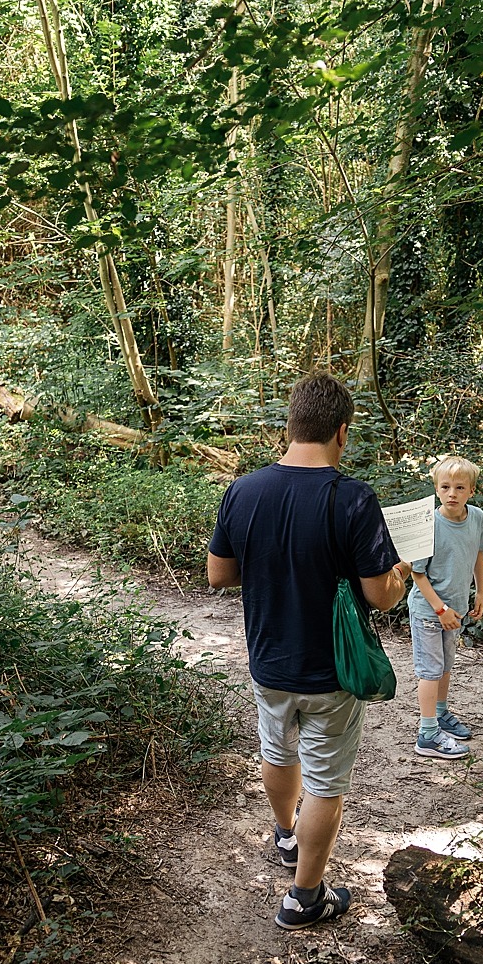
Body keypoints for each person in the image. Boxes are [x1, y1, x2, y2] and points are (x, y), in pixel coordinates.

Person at [206, 372, 407, 930]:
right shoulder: (353, 498)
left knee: (277, 749)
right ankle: (303, 898)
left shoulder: (243, 490)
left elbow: (218, 574)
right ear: (342, 432)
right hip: (332, 672)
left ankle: (286, 836)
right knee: (326, 783)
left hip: (267, 658)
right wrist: (400, 579)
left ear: (291, 425)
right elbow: (379, 596)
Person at [408, 456, 483, 761]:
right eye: (445, 487)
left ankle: (440, 714)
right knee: (430, 671)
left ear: (472, 490)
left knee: (445, 666)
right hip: (429, 610)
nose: (452, 493)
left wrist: (480, 590)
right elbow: (417, 573)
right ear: (436, 489)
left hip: (455, 609)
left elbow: (478, 554)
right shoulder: (429, 525)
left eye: (460, 487)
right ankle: (427, 733)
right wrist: (440, 610)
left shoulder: (478, 518)